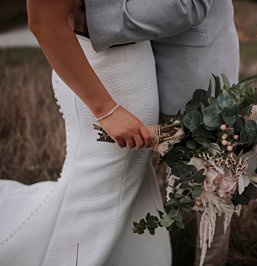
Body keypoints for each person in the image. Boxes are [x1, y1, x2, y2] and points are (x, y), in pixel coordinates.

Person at [0, 0, 170, 264]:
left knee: (125, 194)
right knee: (94, 203)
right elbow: (43, 23)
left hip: (130, 63)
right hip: (104, 81)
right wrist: (106, 110)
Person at [82, 0, 240, 264]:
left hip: (191, 82)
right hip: (131, 77)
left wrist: (93, 18)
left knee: (213, 196)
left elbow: (187, 6)